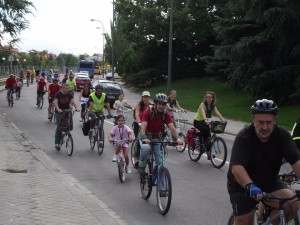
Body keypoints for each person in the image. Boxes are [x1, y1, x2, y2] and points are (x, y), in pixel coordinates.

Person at [227, 99, 300, 225]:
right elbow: (237, 168)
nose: (265, 127)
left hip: (269, 182)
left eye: (269, 122)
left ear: (274, 120)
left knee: (292, 203)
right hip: (243, 186)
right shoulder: (244, 137)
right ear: (253, 119)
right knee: (244, 221)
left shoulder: (282, 136)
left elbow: (297, 162)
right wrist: (250, 186)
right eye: (260, 122)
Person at [138, 93, 183, 175]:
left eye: (163, 104)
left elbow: (172, 127)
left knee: (160, 162)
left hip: (157, 137)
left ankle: (159, 180)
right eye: (159, 104)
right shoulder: (148, 111)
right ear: (155, 104)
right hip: (146, 136)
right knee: (146, 148)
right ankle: (142, 165)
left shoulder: (165, 114)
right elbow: (143, 126)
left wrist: (177, 139)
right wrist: (144, 138)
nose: (161, 106)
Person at [193, 91, 225, 159]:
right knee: (205, 130)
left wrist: (223, 120)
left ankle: (208, 152)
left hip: (205, 121)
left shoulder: (212, 105)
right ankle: (199, 142)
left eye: (210, 97)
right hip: (197, 121)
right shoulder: (202, 104)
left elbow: (217, 113)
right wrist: (205, 120)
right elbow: (203, 112)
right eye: (207, 97)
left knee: (209, 136)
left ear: (213, 98)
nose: (208, 98)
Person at [53, 84, 80, 150]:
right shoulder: (58, 94)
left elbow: (73, 102)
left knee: (69, 124)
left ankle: (67, 132)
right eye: (65, 88)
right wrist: (58, 109)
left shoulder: (69, 94)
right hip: (59, 112)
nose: (66, 90)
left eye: (67, 88)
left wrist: (76, 107)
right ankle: (57, 143)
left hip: (67, 111)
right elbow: (55, 102)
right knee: (59, 127)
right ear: (62, 88)